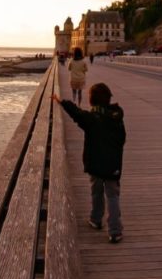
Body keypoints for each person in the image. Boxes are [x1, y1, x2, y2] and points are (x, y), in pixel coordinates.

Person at [53, 82, 125, 243]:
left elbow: (77, 114)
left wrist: (62, 102)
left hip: (95, 163)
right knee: (113, 196)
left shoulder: (92, 118)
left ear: (92, 100)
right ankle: (115, 231)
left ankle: (96, 219)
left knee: (96, 192)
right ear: (108, 99)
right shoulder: (116, 116)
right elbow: (122, 139)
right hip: (113, 165)